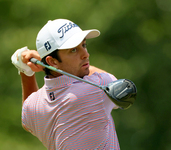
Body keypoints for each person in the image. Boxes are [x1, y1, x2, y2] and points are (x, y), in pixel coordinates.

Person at [11, 19, 120, 150]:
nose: (85, 54)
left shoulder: (32, 107)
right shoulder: (96, 88)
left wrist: (25, 71)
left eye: (84, 45)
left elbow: (27, 122)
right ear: (53, 62)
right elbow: (117, 86)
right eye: (73, 50)